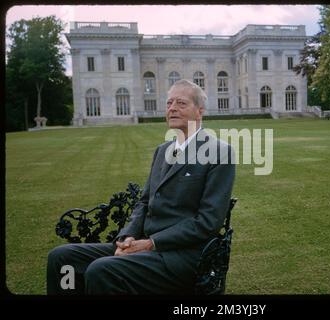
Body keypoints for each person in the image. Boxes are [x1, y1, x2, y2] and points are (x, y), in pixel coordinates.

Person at [47, 79, 235, 294]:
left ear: (200, 111)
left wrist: (150, 243)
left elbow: (207, 222)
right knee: (62, 259)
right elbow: (144, 202)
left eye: (181, 103)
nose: (172, 108)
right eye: (169, 103)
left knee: (102, 270)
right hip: (142, 245)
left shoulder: (219, 152)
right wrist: (126, 237)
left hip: (180, 257)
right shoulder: (163, 150)